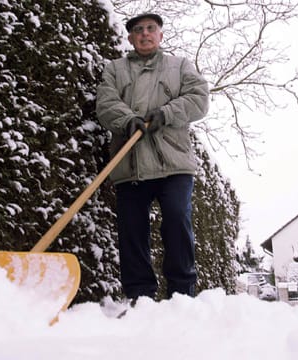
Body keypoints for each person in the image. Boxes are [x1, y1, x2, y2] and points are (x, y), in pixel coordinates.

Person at [96, 13, 209, 301]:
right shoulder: (114, 69)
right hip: (130, 164)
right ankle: (140, 296)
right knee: (131, 229)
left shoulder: (179, 66)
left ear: (160, 35)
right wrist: (128, 119)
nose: (144, 34)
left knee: (176, 217)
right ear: (130, 38)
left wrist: (167, 113)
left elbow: (199, 98)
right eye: (138, 30)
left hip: (173, 163)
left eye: (150, 29)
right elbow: (106, 104)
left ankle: (182, 293)